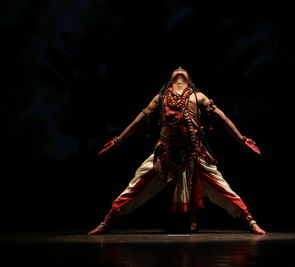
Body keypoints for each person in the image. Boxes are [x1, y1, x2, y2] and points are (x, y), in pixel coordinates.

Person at [88, 67, 267, 235]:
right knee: (134, 187)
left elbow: (223, 118)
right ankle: (106, 222)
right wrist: (118, 140)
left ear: (189, 81)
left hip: (193, 154)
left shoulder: (199, 97)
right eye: (176, 69)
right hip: (164, 154)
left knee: (224, 189)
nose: (180, 67)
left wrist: (242, 139)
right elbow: (139, 120)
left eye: (183, 69)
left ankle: (250, 221)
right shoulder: (161, 97)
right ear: (170, 81)